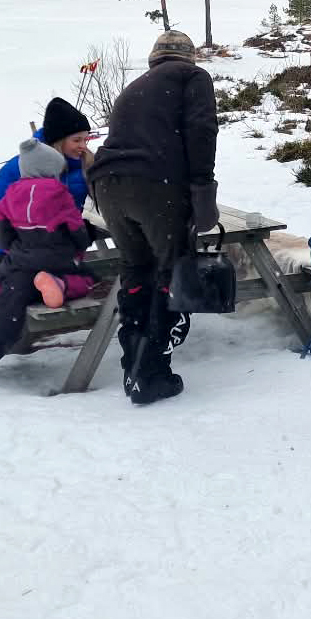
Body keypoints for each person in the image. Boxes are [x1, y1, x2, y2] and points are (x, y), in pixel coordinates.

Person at [87, 30, 218, 406]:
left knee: (136, 272)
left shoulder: (135, 87)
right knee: (171, 274)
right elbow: (202, 131)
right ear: (189, 57)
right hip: (154, 186)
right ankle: (151, 373)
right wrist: (202, 190)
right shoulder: (193, 77)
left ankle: (133, 364)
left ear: (153, 59)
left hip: (108, 186)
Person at [0, 140, 95, 383]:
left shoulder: (11, 194)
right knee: (87, 278)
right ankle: (60, 284)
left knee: (7, 291)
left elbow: (2, 232)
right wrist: (82, 239)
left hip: (20, 261)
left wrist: (15, 250)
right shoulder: (60, 194)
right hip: (58, 261)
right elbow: (78, 233)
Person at [0, 97, 93, 230]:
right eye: (77, 140)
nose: (83, 146)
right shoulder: (21, 166)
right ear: (58, 141)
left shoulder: (86, 163)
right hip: (24, 240)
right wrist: (17, 234)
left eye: (86, 140)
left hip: (64, 240)